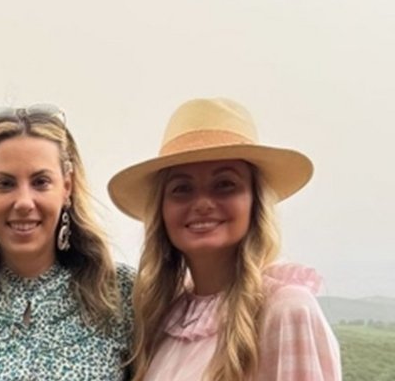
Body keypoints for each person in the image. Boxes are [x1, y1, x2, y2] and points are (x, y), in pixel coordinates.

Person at [108, 97, 341, 380]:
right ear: (162, 209)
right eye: (182, 188)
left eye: (225, 185)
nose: (203, 203)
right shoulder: (164, 317)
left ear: (255, 201)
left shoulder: (286, 311)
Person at [0, 105, 134, 380]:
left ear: (67, 187)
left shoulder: (120, 295)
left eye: (40, 182)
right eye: (5, 184)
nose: (24, 202)